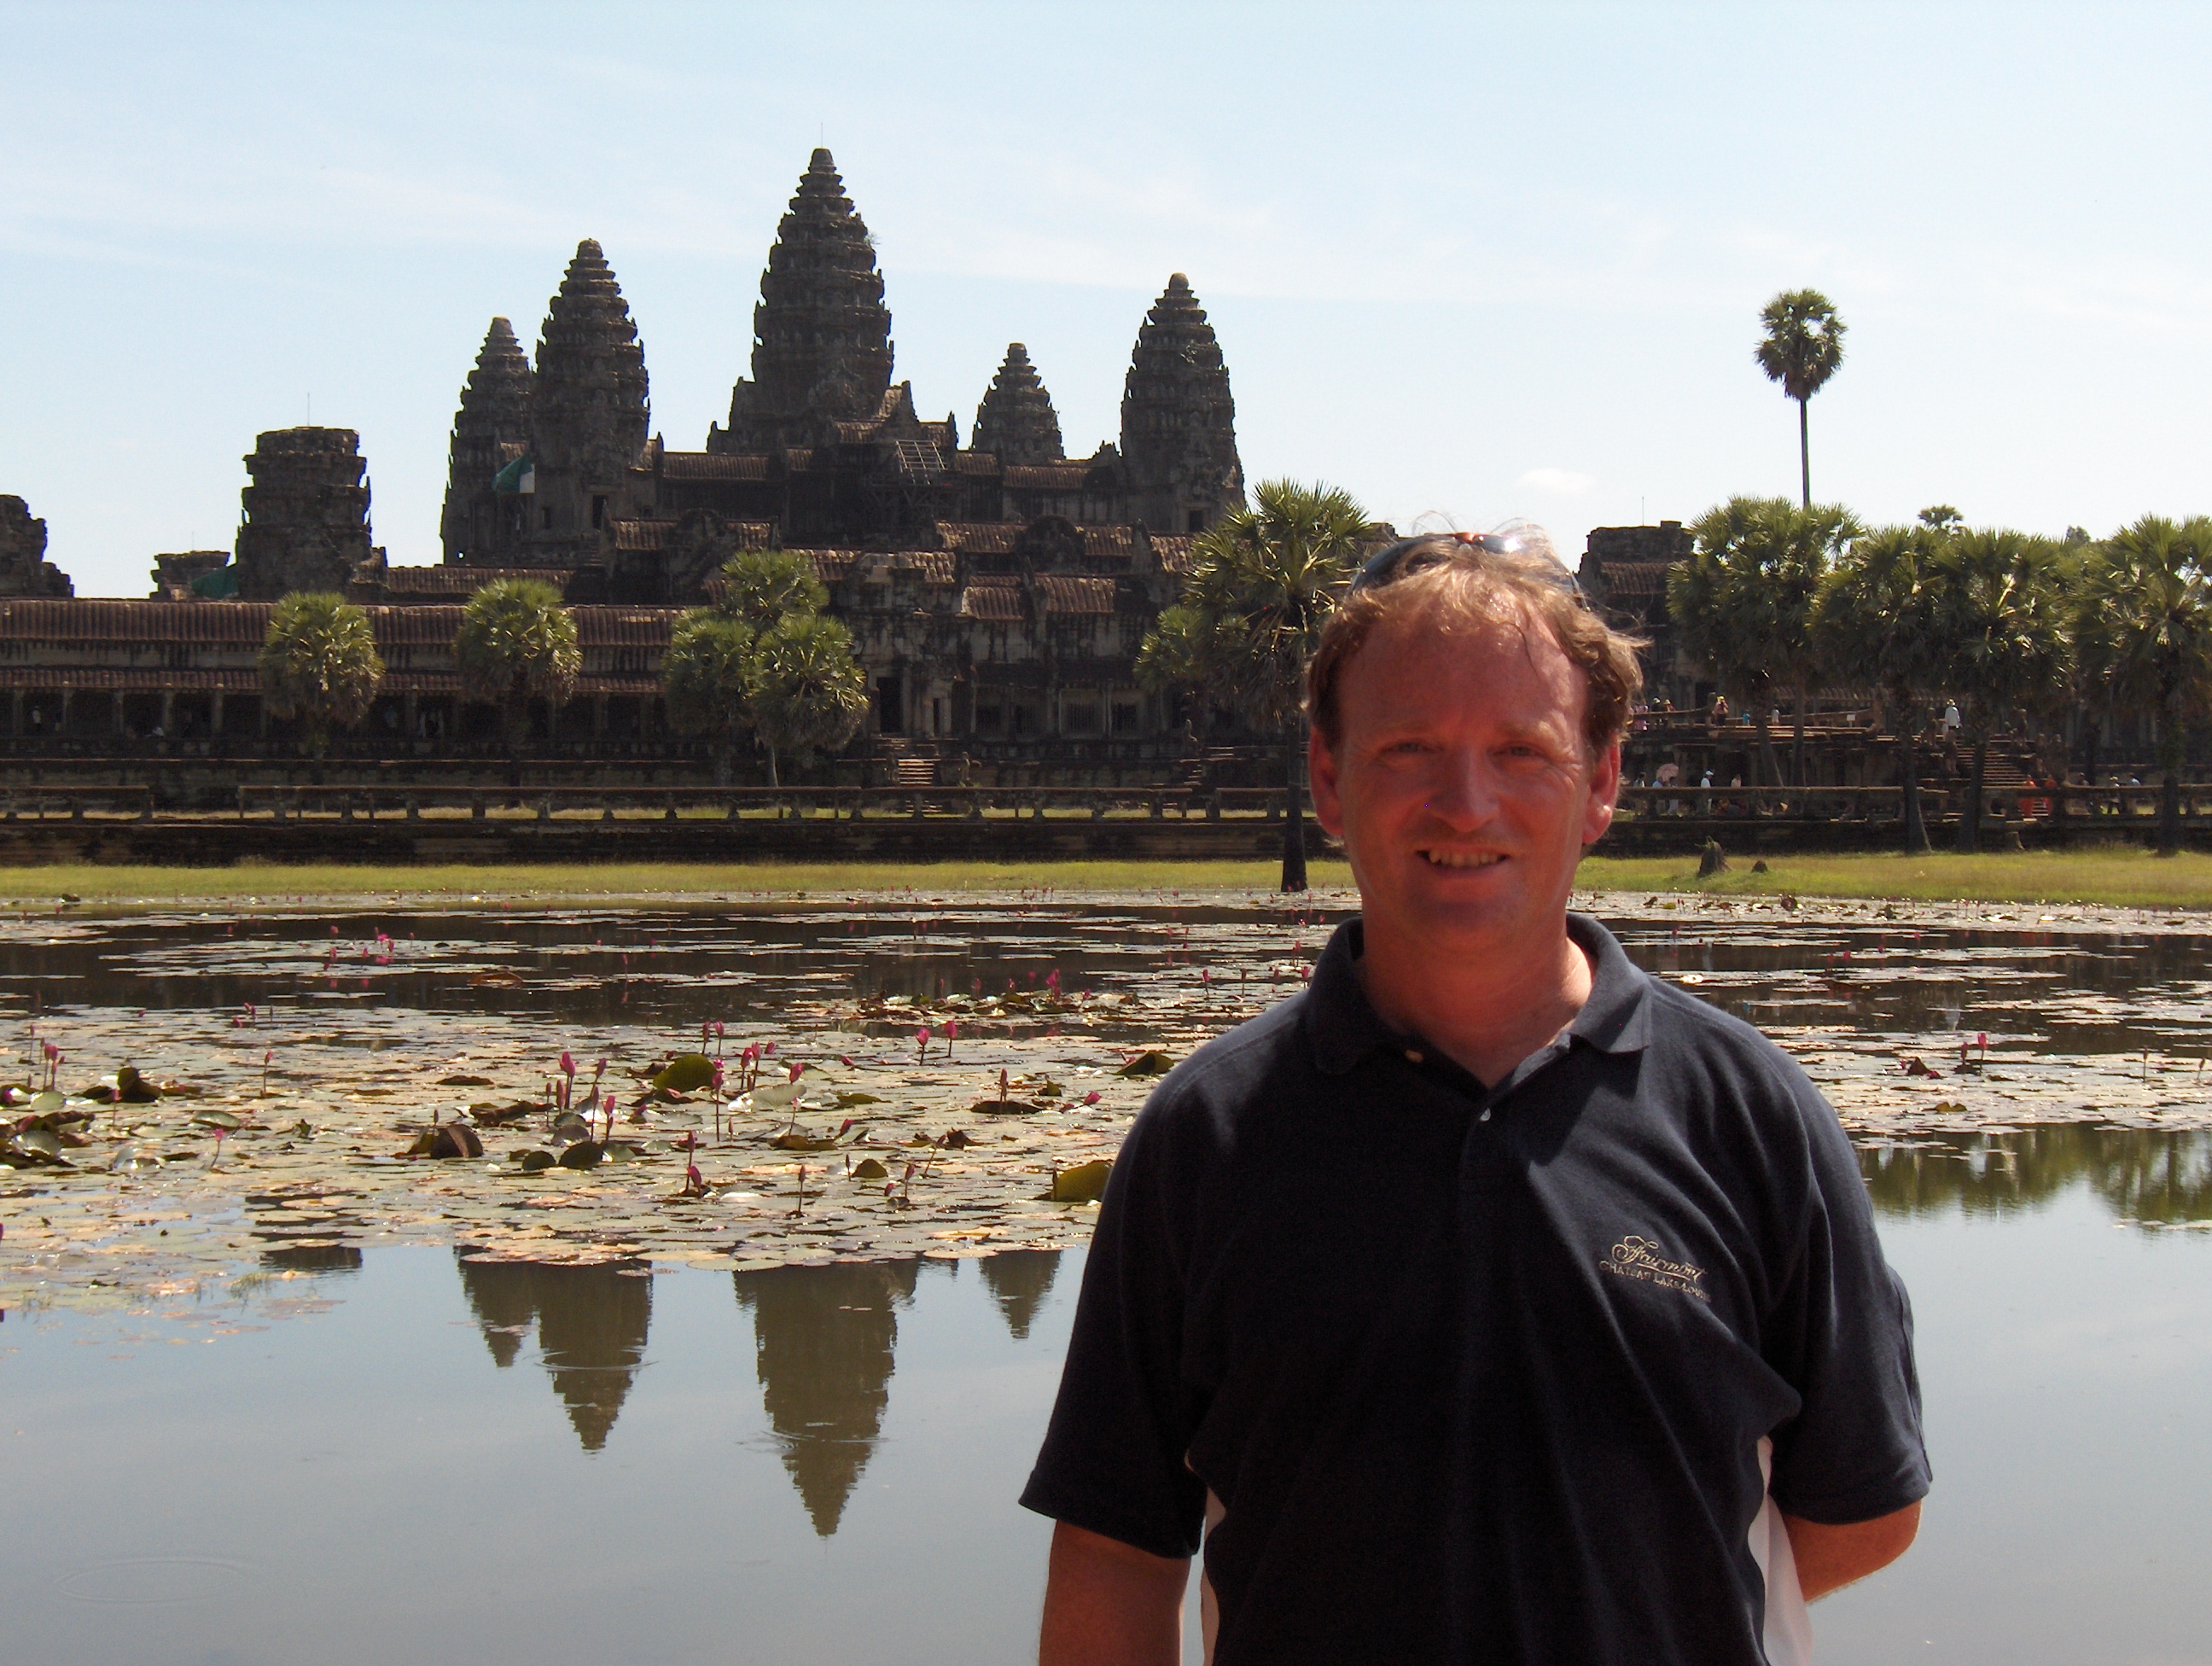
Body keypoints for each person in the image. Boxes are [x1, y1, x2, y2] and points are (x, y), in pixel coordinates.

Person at [1023, 533, 1927, 1665]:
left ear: (1600, 781)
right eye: (1408, 750)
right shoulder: (1208, 1136)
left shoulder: (1744, 1112)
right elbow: (1116, 1548)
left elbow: (1867, 1505)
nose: (1465, 805)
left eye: (1521, 751)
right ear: (1329, 778)